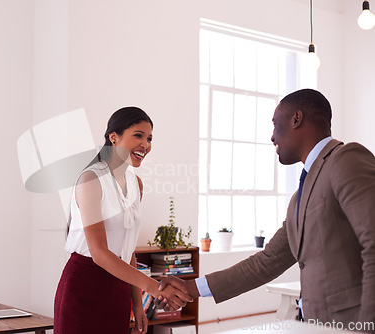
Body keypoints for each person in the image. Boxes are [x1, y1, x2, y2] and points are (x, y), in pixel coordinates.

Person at [157, 89, 375, 329]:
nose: (272, 137)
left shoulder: (346, 158)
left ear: (296, 119)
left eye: (275, 124)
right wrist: (190, 288)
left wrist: (368, 323)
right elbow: (266, 262)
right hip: (316, 324)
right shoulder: (298, 198)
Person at [54, 107, 192, 334]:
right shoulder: (90, 179)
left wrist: (137, 304)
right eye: (138, 135)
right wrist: (155, 288)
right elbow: (99, 253)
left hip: (118, 289)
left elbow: (127, 249)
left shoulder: (136, 184)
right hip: (84, 285)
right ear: (114, 136)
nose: (145, 145)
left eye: (149, 138)